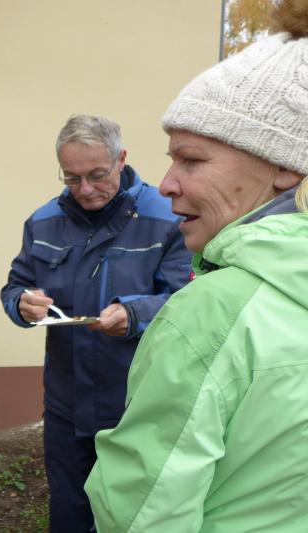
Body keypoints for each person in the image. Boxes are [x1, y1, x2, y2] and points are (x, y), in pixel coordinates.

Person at [84, 2, 308, 531]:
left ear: (284, 165)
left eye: (192, 159)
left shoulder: (212, 313)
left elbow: (141, 515)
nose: (166, 184)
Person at [0, 114, 192, 532]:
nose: (85, 189)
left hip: (139, 404)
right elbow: (15, 287)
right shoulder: (43, 222)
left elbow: (189, 300)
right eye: (72, 178)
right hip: (66, 404)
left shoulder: (169, 217)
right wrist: (22, 304)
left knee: (135, 513)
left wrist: (135, 314)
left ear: (121, 159)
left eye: (97, 175)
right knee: (70, 509)